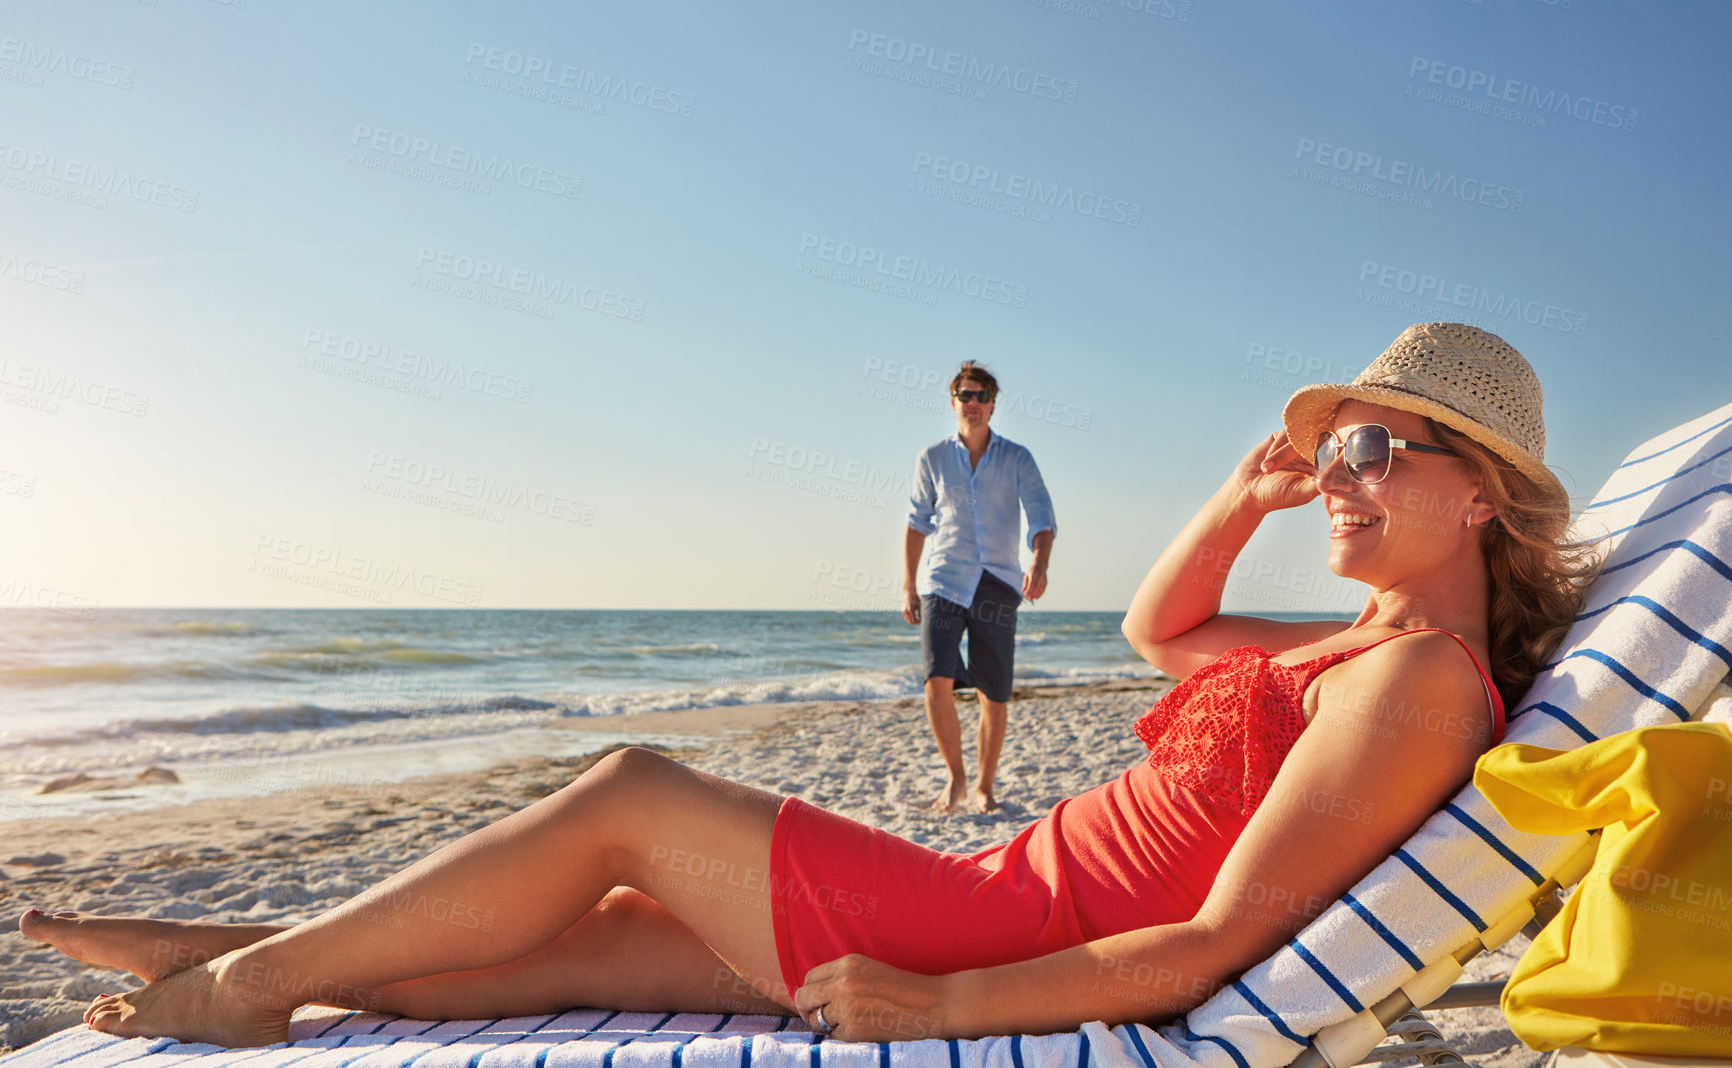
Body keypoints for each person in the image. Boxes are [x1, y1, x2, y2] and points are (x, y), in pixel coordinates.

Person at [18, 323, 1598, 1048]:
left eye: (1377, 453)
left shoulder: (1418, 689)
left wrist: (947, 1003)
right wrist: (1244, 497)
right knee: (608, 940)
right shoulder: (1345, 650)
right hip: (979, 885)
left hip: (987, 933)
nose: (1339, 478)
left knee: (634, 787)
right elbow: (1156, 631)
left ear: (1488, 499)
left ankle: (239, 983)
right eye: (1334, 453)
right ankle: (239, 950)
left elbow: (1212, 941)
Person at [902, 361, 1056, 813]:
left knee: (994, 691)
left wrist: (1040, 564)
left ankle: (985, 787)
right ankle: (956, 780)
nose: (973, 404)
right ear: (953, 403)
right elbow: (916, 523)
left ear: (993, 405)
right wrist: (908, 585)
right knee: (936, 684)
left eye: (981, 396)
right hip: (943, 581)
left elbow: (1042, 518)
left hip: (998, 582)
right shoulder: (931, 458)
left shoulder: (1017, 458)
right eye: (965, 396)